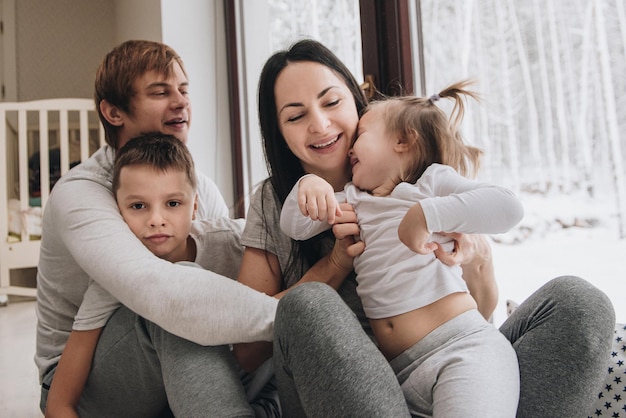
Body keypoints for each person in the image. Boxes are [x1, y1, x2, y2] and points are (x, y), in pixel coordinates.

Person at [235, 38, 615, 417]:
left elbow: (479, 310)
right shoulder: (302, 199)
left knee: (580, 302)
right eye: (295, 115)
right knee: (308, 305)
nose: (319, 124)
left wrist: (474, 257)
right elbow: (248, 351)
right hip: (373, 391)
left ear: (356, 102)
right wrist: (332, 261)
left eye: (332, 102)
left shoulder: (423, 180)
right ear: (279, 132)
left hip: (458, 352)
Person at [35, 40, 278, 417]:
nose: (181, 102)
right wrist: (294, 317)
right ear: (114, 112)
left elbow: (227, 282)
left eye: (183, 90)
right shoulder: (80, 194)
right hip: (85, 379)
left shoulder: (198, 185)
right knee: (179, 297)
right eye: (161, 92)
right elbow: (162, 292)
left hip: (177, 366)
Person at [279, 83, 524, 416]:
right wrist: (309, 186)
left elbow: (508, 207)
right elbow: (294, 226)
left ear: (403, 140)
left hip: (462, 348)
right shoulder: (353, 199)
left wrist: (426, 214)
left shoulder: (432, 184)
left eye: (361, 134)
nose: (350, 146)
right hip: (396, 376)